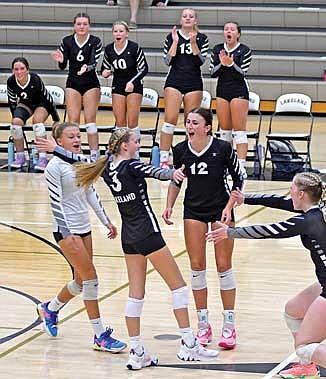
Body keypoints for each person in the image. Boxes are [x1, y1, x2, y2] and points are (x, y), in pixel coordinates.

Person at [41, 128, 219, 369]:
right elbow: (154, 171)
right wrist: (172, 173)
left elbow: (79, 160)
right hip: (147, 232)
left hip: (129, 237)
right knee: (179, 288)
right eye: (136, 142)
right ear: (124, 146)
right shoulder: (132, 166)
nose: (139, 146)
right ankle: (189, 344)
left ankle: (137, 352)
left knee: (136, 295)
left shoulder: (107, 166)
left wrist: (56, 150)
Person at [205, 172, 326, 379]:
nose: (289, 193)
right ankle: (306, 368)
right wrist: (245, 199)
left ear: (302, 194)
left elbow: (270, 230)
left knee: (304, 345)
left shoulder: (309, 221)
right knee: (293, 311)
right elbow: (281, 202)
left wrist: (230, 232)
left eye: (292, 189)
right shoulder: (325, 208)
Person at [36, 122, 127, 354]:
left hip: (84, 228)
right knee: (91, 279)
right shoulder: (54, 167)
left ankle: (50, 308)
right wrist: (67, 234)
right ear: (59, 141)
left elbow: (90, 193)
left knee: (79, 282)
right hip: (66, 231)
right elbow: (55, 204)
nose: (77, 139)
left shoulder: (80, 161)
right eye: (71, 136)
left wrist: (106, 221)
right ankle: (99, 336)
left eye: (79, 135)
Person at [163, 108, 244, 350]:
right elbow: (176, 180)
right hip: (194, 211)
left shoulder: (223, 148)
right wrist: (169, 206)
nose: (189, 126)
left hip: (221, 209)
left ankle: (229, 325)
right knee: (197, 267)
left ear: (207, 127)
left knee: (223, 266)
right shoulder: (180, 150)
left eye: (195, 122)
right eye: (187, 122)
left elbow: (239, 179)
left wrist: (230, 206)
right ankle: (203, 324)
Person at [160, 8, 209, 168]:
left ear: (195, 21)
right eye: (185, 16)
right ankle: (164, 159)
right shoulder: (171, 37)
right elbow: (167, 61)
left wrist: (193, 43)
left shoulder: (202, 38)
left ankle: (189, 157)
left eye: (191, 16)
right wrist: (175, 42)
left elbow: (201, 61)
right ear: (181, 20)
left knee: (192, 122)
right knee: (170, 120)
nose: (187, 19)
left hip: (193, 83)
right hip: (174, 81)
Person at [51, 12, 102, 162]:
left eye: (85, 24)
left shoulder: (95, 41)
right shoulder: (67, 41)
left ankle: (94, 155)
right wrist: (61, 61)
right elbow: (63, 65)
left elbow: (94, 62)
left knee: (90, 122)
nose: (81, 26)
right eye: (79, 24)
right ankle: (73, 155)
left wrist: (87, 67)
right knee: (73, 122)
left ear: (89, 26)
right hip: (73, 83)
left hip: (90, 83)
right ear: (74, 26)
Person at [210, 21, 252, 178]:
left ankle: (241, 167)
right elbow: (213, 73)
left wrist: (231, 63)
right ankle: (227, 166)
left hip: (239, 91)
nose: (229, 31)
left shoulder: (245, 50)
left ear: (238, 34)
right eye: (226, 29)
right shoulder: (217, 49)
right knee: (224, 132)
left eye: (232, 29)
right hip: (222, 91)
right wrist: (222, 64)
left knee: (239, 131)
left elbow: (242, 73)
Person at [101, 21, 148, 149]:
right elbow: (104, 68)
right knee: (120, 123)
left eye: (121, 31)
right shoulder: (109, 49)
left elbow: (144, 69)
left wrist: (132, 82)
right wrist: (105, 72)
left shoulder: (134, 48)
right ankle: (120, 150)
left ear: (127, 33)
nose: (118, 33)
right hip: (118, 85)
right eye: (115, 31)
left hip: (134, 85)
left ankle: (135, 151)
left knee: (132, 123)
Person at [7, 57, 59, 170]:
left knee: (37, 121)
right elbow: (12, 102)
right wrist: (17, 118)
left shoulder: (35, 79)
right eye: (16, 69)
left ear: (27, 69)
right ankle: (20, 157)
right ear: (12, 70)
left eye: (22, 68)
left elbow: (47, 98)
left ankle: (42, 158)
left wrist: (56, 118)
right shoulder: (11, 81)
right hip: (26, 104)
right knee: (15, 123)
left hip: (42, 103)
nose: (19, 72)